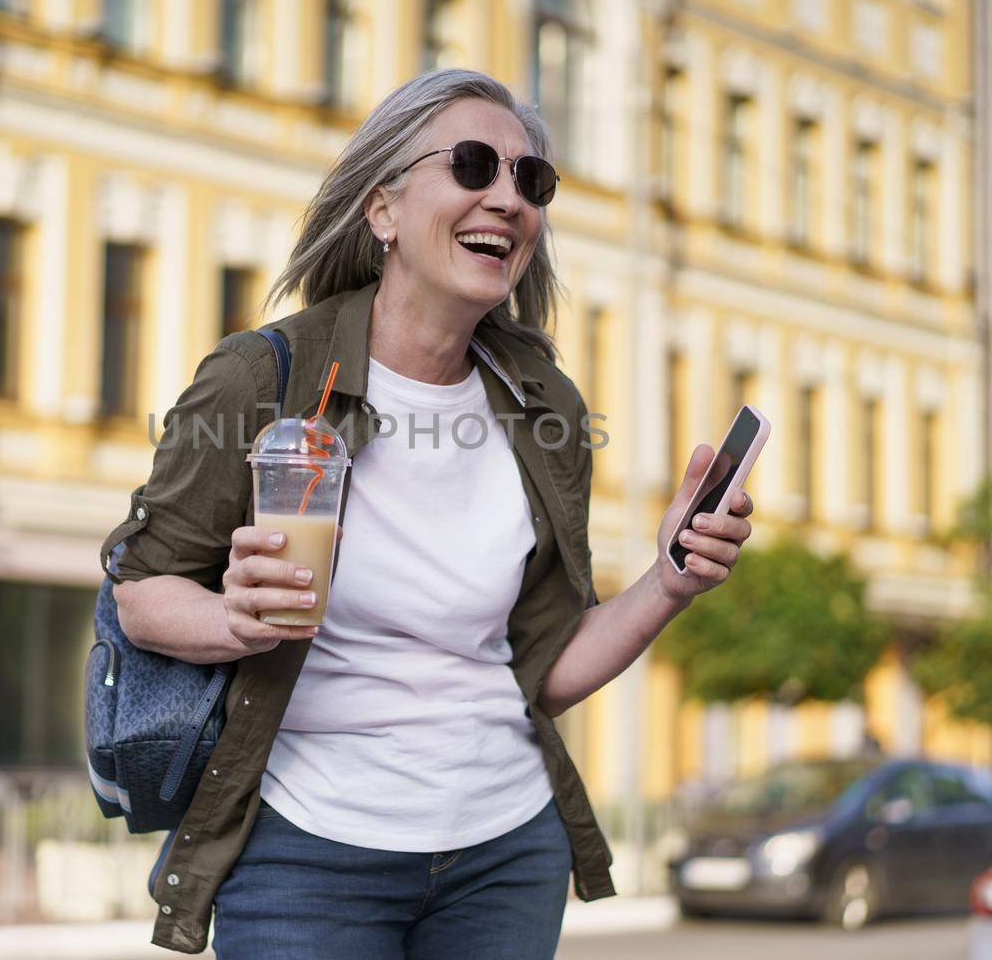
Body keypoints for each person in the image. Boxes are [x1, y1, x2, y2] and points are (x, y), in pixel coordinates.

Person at [105, 68, 756, 958]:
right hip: (307, 853)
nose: (509, 199)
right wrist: (233, 616)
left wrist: (671, 580)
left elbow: (544, 671)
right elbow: (142, 590)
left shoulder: (545, 403)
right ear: (383, 209)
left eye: (531, 182)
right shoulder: (266, 377)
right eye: (476, 165)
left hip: (505, 851)